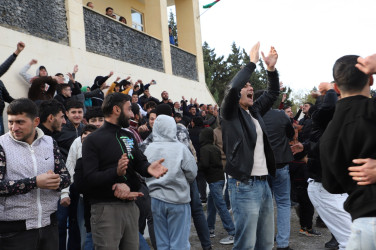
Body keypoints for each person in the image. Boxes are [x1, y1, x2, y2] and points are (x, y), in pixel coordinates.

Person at [82, 93, 167, 250]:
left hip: (131, 207)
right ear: (116, 109)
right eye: (128, 109)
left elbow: (139, 162)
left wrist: (148, 168)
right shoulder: (92, 141)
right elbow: (89, 178)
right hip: (106, 210)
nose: (132, 115)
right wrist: (116, 174)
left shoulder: (128, 135)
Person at [220, 42, 279, 250]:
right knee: (246, 244)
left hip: (264, 184)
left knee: (265, 243)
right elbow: (233, 87)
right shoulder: (229, 113)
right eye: (246, 86)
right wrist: (252, 63)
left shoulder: (253, 112)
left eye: (251, 86)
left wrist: (270, 70)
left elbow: (272, 93)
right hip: (244, 185)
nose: (250, 87)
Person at [320, 55, 376, 249]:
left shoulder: (329, 133)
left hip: (363, 226)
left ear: (336, 88)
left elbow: (332, 185)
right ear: (370, 79)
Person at [0, 98, 70, 249]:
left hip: (48, 225)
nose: (13, 127)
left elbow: (66, 177)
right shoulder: (2, 145)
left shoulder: (50, 142)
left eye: (20, 122)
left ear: (36, 121)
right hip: (14, 231)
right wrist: (35, 182)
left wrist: (55, 181)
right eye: (11, 122)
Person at [144, 115, 197, 250]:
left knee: (162, 243)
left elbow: (144, 172)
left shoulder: (149, 148)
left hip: (156, 199)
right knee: (179, 243)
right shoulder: (180, 148)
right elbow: (192, 172)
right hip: (178, 199)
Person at [260, 97, 296, 250]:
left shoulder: (253, 116)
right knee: (283, 203)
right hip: (280, 163)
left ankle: (265, 242)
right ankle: (282, 244)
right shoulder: (281, 115)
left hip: (261, 166)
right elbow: (290, 133)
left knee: (264, 205)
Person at [199, 127, 235, 245]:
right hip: (220, 179)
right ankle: (210, 228)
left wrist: (196, 168)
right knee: (211, 203)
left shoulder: (204, 149)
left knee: (220, 206)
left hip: (213, 181)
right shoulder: (215, 148)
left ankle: (232, 231)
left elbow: (204, 164)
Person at [0, 41, 25, 135]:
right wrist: (16, 52)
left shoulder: (0, 83)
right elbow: (3, 67)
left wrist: (21, 103)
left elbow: (7, 98)